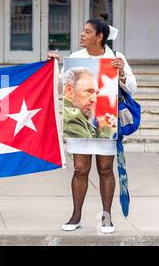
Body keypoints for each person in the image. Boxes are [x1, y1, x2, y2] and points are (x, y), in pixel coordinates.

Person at [48, 15, 136, 234]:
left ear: (100, 37)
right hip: (79, 125)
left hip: (107, 123)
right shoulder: (76, 57)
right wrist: (55, 64)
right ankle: (76, 215)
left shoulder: (116, 56)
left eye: (87, 32)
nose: (82, 34)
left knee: (105, 169)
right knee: (80, 169)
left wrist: (122, 72)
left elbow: (133, 88)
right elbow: (62, 87)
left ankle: (106, 217)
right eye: (83, 30)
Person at [63, 67, 117, 139]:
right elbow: (92, 149)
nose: (94, 100)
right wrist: (106, 130)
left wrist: (100, 129)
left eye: (96, 93)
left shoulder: (76, 114)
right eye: (89, 91)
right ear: (69, 90)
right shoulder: (72, 117)